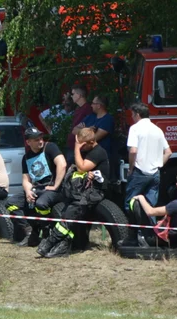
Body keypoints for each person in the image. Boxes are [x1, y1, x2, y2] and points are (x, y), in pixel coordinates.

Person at [36, 127, 111, 258]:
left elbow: (82, 168)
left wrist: (76, 147)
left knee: (70, 213)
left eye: (82, 145)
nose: (81, 148)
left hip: (95, 192)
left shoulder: (98, 152)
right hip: (82, 191)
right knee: (67, 213)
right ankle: (62, 245)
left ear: (90, 142)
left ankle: (50, 242)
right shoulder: (87, 151)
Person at [7, 128, 67, 246]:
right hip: (38, 188)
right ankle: (30, 232)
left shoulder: (50, 147)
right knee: (11, 203)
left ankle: (46, 232)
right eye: (36, 139)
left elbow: (62, 164)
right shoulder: (26, 158)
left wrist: (55, 185)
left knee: (41, 204)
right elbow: (26, 179)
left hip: (55, 188)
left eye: (41, 138)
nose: (40, 141)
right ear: (28, 142)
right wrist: (28, 191)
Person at [124, 102, 171, 209]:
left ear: (137, 114)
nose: (132, 117)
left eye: (132, 114)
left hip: (139, 171)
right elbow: (168, 152)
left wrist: (131, 168)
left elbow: (133, 151)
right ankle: (151, 225)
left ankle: (133, 225)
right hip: (155, 173)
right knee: (150, 207)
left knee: (130, 204)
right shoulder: (157, 129)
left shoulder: (135, 128)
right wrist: (158, 165)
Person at [130, 171, 177, 247]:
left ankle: (132, 238)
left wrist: (141, 197)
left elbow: (150, 212)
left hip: (163, 240)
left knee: (137, 203)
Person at [84, 94, 116, 159]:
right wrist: (88, 130)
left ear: (98, 106)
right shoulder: (91, 117)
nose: (91, 105)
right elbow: (75, 130)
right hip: (90, 155)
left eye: (93, 103)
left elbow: (94, 138)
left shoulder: (108, 119)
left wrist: (81, 148)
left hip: (101, 157)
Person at [68, 85, 93, 151]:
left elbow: (89, 128)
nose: (71, 96)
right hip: (73, 145)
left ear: (79, 95)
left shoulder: (88, 108)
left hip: (81, 147)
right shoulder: (78, 109)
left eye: (73, 94)